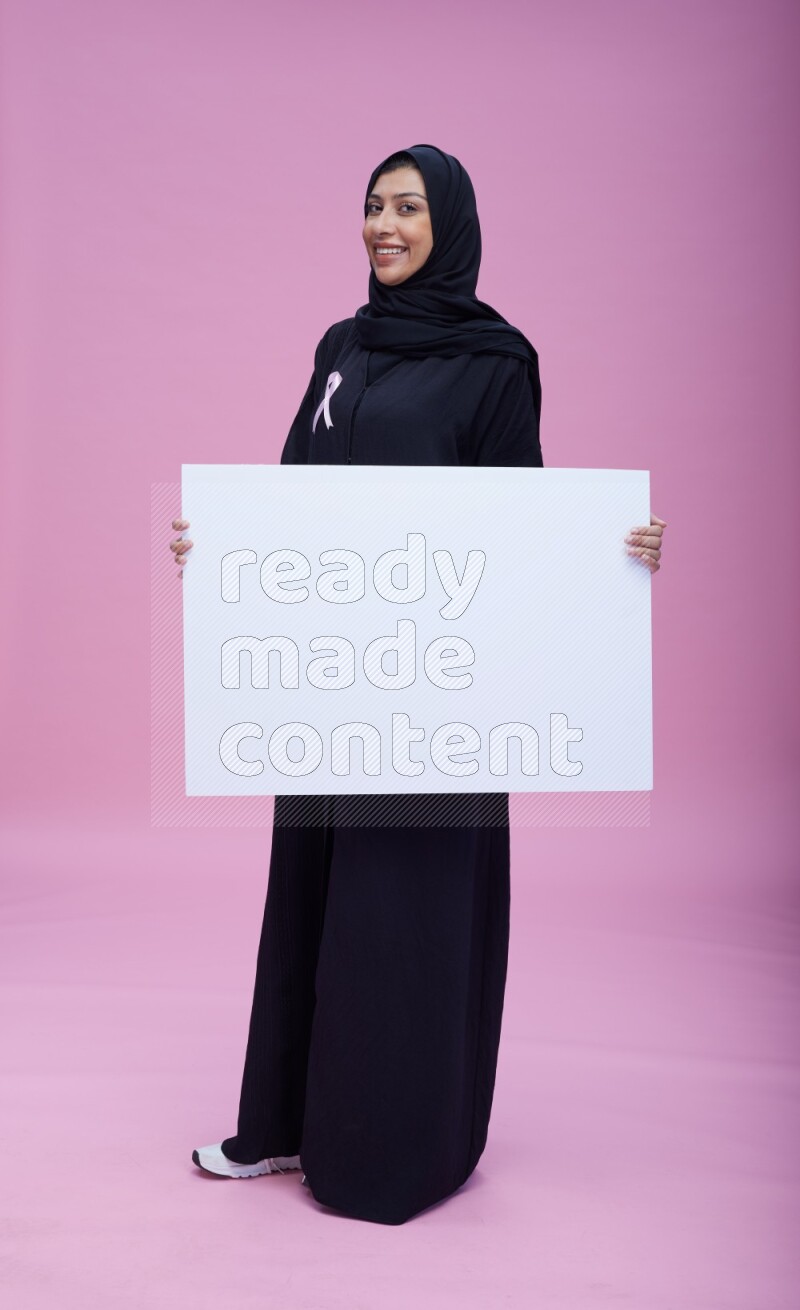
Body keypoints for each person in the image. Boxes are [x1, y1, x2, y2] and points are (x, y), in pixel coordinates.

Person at [169, 144, 667, 1225]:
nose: (383, 225)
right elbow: (294, 496)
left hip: (439, 691)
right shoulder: (340, 345)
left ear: (450, 224)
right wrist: (224, 555)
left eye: (406, 207)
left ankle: (392, 1153)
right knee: (309, 897)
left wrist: (612, 553)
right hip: (328, 676)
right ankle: (282, 1126)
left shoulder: (495, 362)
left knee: (399, 914)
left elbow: (521, 523)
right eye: (371, 206)